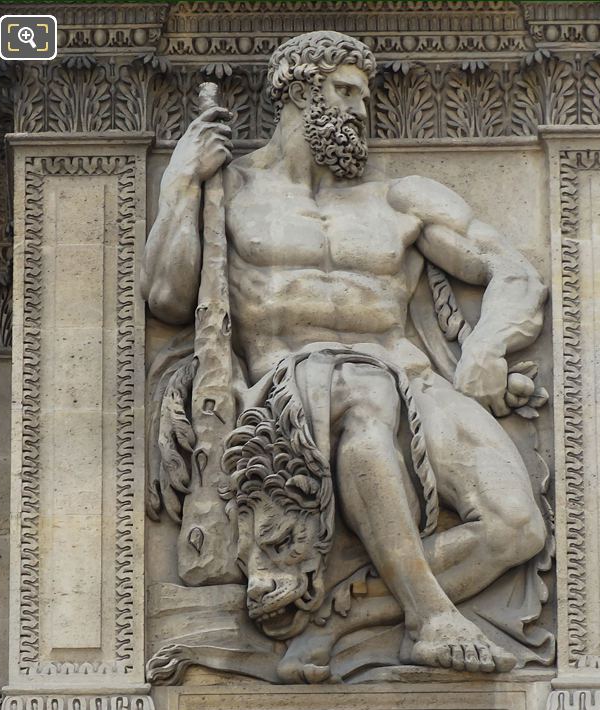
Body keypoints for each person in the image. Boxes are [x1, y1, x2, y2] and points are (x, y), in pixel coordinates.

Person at [141, 31, 548, 674]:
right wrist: (180, 186)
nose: (361, 108)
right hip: (288, 388)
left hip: (407, 379)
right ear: (298, 92)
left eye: (366, 94)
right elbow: (166, 296)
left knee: (517, 526)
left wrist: (488, 349)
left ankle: (342, 615)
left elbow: (512, 271)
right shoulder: (234, 191)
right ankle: (434, 617)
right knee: (358, 393)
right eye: (346, 90)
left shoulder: (399, 200)